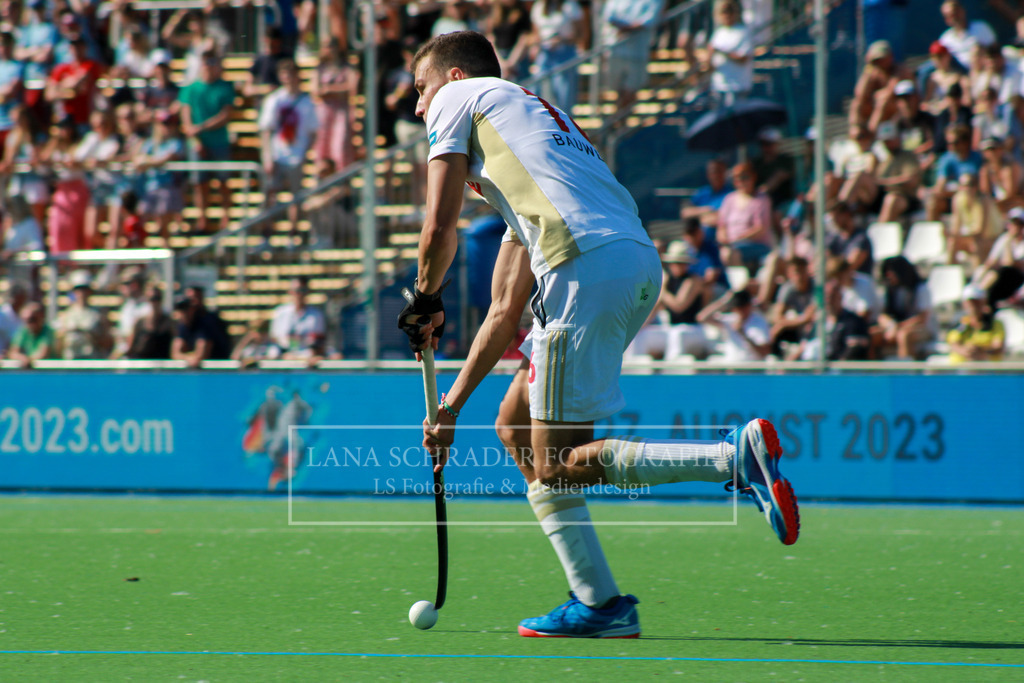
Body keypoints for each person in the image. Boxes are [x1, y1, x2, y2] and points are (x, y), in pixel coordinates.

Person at [399, 31, 799, 639]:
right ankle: (598, 602)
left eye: (421, 89)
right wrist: (450, 406)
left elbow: (437, 228)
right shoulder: (529, 146)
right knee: (513, 425)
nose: (418, 108)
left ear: (453, 78)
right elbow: (504, 312)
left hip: (582, 268)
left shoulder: (465, 98)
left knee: (556, 462)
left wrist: (425, 299)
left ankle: (731, 457)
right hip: (629, 261)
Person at [259, 58, 317, 241]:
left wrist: (304, 153)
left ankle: (293, 233)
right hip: (277, 154)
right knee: (270, 195)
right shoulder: (274, 99)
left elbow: (313, 131)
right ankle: (267, 233)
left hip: (296, 155)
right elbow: (266, 130)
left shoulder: (307, 102)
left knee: (296, 197)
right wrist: (267, 157)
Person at [179, 52, 235, 232]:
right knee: (199, 183)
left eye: (213, 62)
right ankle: (202, 220)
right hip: (197, 143)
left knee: (222, 181)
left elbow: (226, 115)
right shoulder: (191, 88)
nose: (209, 66)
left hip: (219, 142)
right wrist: (195, 139)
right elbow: (186, 117)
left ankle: (226, 218)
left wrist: (201, 128)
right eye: (206, 62)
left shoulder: (225, 88)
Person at [625, 240, 708, 360]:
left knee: (677, 335)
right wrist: (639, 325)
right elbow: (654, 306)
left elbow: (679, 306)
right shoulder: (667, 280)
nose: (676, 266)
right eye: (674, 263)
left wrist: (661, 290)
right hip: (672, 328)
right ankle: (636, 373)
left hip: (694, 329)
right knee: (640, 334)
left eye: (680, 263)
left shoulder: (693, 280)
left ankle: (671, 373)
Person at [600, 0, 665, 111]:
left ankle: (619, 122)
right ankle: (618, 122)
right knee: (617, 92)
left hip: (637, 53)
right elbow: (609, 16)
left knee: (630, 92)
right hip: (616, 50)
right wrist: (626, 27)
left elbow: (648, 20)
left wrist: (625, 28)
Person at [872, 256, 932, 359]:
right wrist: (891, 326)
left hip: (922, 329)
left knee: (903, 335)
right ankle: (871, 372)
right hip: (896, 327)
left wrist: (897, 327)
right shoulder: (889, 290)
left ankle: (906, 373)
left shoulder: (921, 289)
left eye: (891, 272)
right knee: (873, 334)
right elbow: (882, 316)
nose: (888, 275)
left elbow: (922, 319)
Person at [530, 0, 585, 113]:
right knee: (539, 91)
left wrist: (562, 40)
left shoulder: (570, 5)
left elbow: (581, 32)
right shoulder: (539, 6)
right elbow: (535, 33)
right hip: (545, 54)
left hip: (565, 54)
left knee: (564, 96)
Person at [716, 161, 774, 268]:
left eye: (744, 177)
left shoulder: (762, 199)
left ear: (753, 177)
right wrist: (724, 239)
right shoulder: (729, 199)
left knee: (731, 253)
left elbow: (760, 229)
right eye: (736, 178)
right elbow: (721, 226)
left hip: (757, 246)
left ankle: (741, 284)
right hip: (732, 246)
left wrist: (737, 239)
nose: (740, 181)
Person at [696, 288, 771, 361]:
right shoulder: (730, 319)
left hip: (752, 369)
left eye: (742, 307)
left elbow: (764, 352)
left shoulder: (760, 322)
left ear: (749, 306)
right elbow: (702, 317)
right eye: (736, 307)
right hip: (732, 368)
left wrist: (743, 334)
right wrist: (724, 301)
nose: (739, 311)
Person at [704, 0, 753, 105]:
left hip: (737, 86)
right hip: (719, 86)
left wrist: (722, 52)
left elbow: (743, 59)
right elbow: (710, 61)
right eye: (723, 12)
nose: (726, 15)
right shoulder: (718, 33)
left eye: (729, 11)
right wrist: (708, 59)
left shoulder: (743, 32)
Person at [55, 269, 111, 359]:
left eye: (84, 289)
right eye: (78, 289)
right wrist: (65, 333)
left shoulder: (98, 315)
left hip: (91, 362)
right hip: (70, 362)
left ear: (90, 291)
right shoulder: (65, 316)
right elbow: (57, 346)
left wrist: (90, 335)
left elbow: (107, 343)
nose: (81, 293)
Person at [947, 283, 1004, 364]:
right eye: (970, 302)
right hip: (961, 368)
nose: (973, 305)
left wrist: (981, 350)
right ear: (964, 303)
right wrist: (967, 352)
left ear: (983, 302)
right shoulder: (959, 322)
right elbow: (954, 344)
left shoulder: (995, 323)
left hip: (987, 369)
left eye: (976, 301)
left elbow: (998, 347)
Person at [270, 276, 326, 359]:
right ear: (290, 291)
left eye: (302, 291)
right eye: (296, 291)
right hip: (283, 354)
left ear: (307, 292)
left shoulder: (316, 315)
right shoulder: (280, 313)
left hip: (307, 355)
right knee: (272, 352)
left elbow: (318, 343)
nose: (299, 295)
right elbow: (275, 339)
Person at [125, 285, 174, 360]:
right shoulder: (140, 322)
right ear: (147, 300)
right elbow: (130, 347)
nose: (155, 302)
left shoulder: (169, 323)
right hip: (143, 366)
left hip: (164, 366)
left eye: (157, 298)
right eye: (152, 299)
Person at [6, 301, 55, 367]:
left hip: (48, 373)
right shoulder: (23, 331)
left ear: (42, 317)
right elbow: (13, 352)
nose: (28, 323)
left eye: (32, 319)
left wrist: (28, 360)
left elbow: (43, 354)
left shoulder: (48, 331)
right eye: (25, 320)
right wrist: (23, 358)